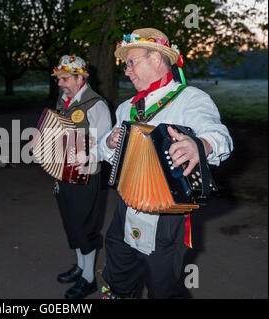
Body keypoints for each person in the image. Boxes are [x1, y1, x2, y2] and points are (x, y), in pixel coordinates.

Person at [99, 28, 233, 299]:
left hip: (168, 216)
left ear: (157, 59)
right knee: (117, 279)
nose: (126, 70)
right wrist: (109, 143)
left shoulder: (190, 99)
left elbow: (221, 137)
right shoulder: (126, 108)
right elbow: (108, 155)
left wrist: (201, 145)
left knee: (163, 290)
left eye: (131, 62)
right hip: (125, 207)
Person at [51, 55, 112, 299]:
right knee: (71, 223)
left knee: (85, 226)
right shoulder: (63, 100)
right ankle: (80, 267)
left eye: (65, 79)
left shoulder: (96, 105)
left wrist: (84, 153)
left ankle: (88, 279)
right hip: (63, 172)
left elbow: (105, 145)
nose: (60, 84)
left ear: (80, 78)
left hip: (86, 175)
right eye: (58, 79)